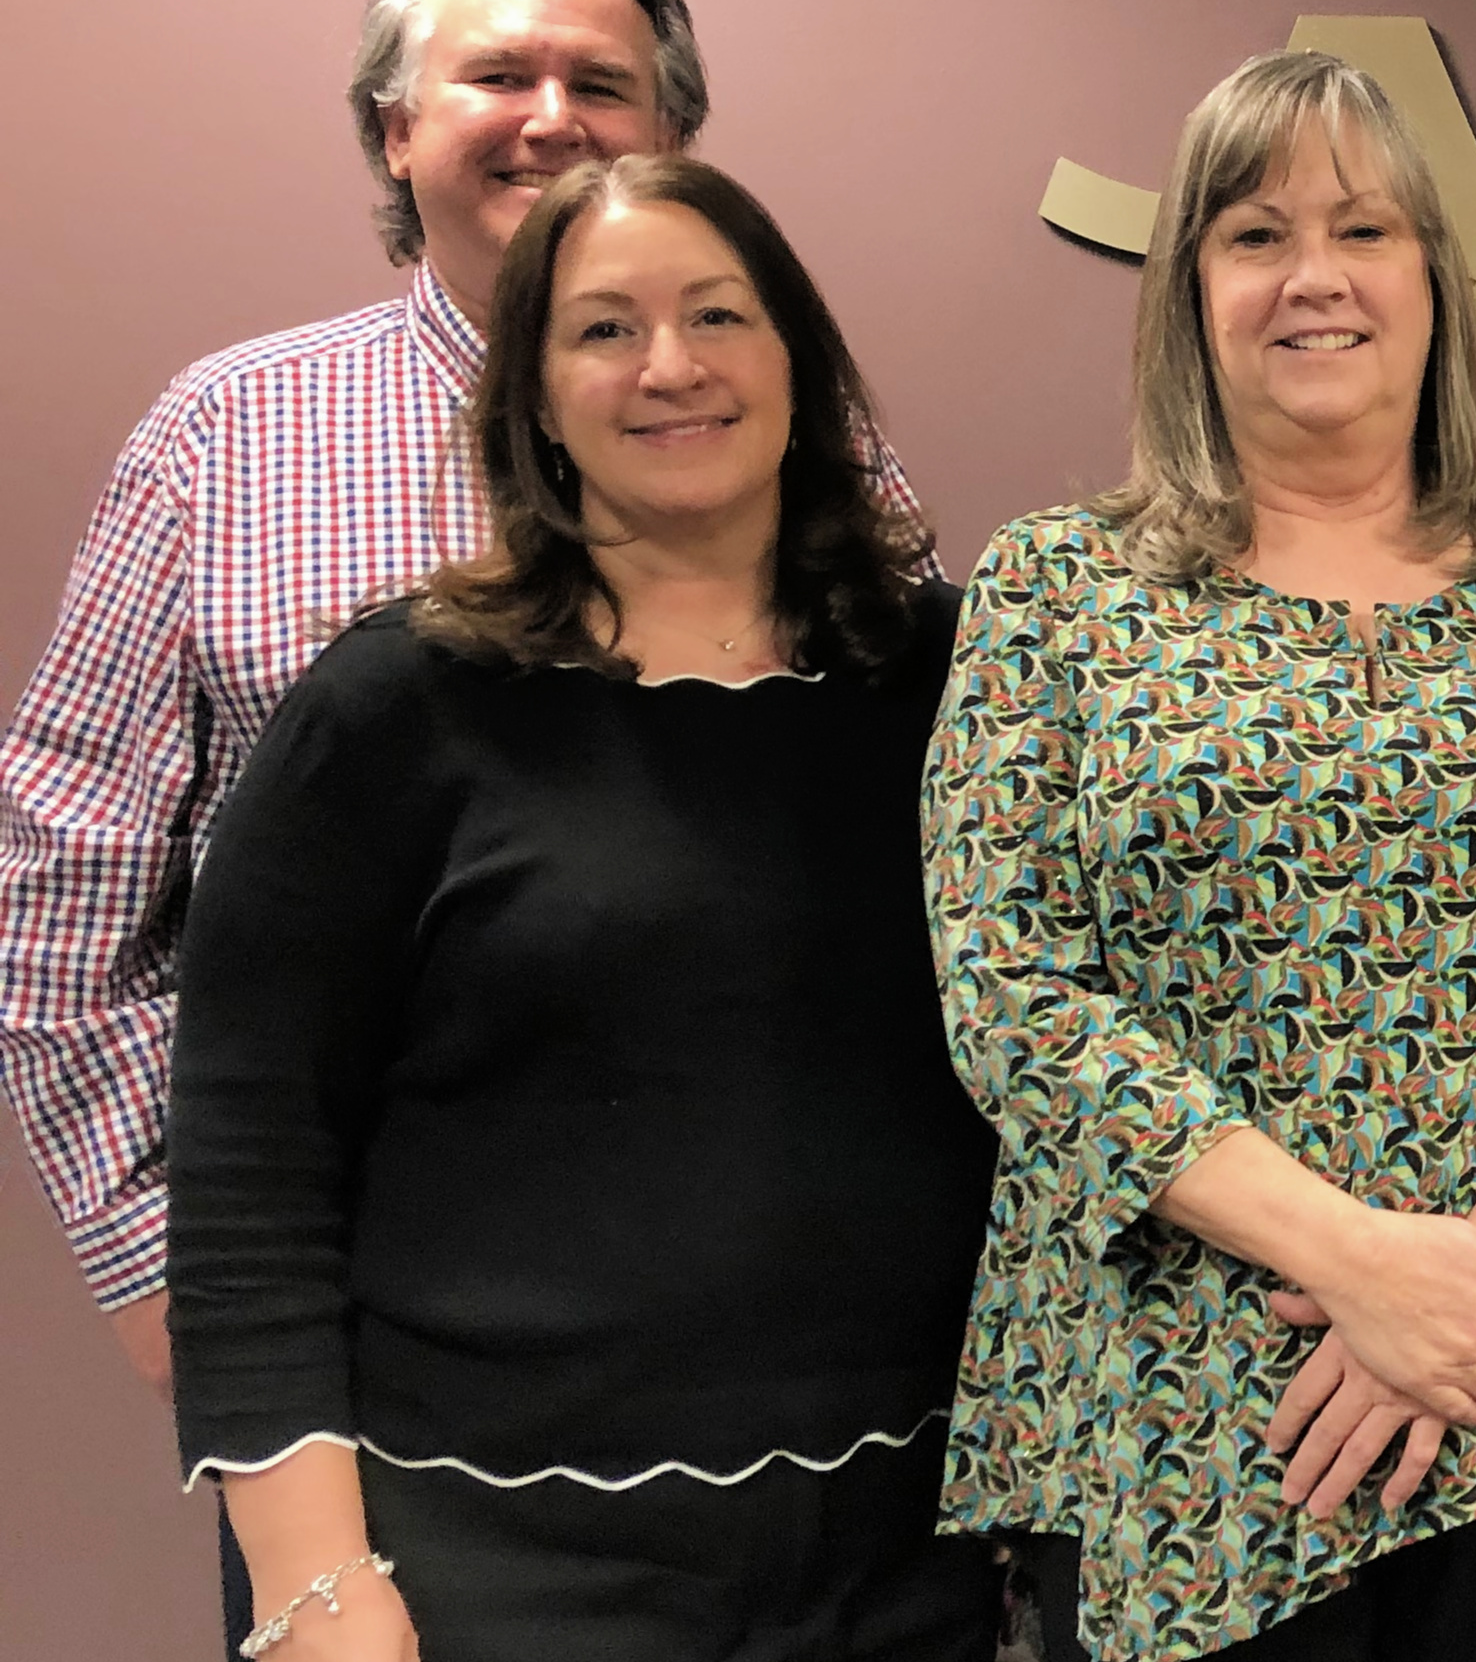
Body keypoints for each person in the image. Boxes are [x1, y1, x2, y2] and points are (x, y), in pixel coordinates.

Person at [1, 0, 923, 1404]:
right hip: (375, 1332)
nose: (550, 121)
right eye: (498, 77)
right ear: (394, 134)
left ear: (673, 141)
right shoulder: (225, 439)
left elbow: (909, 842)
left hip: (787, 1329)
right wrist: (167, 1283)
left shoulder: (797, 442)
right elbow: (57, 900)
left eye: (602, 85)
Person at [927, 48, 1476, 1662]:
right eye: (1253, 234)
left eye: (1364, 230)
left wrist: (1471, 1288)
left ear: (1433, 279)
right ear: (1185, 290)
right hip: (1175, 1395)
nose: (1316, 278)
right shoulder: (1056, 593)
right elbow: (1007, 984)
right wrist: (1357, 1264)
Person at [164, 154, 996, 1661]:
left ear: (797, 361)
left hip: (904, 1557)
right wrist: (312, 1590)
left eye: (718, 316)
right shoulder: (395, 708)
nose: (669, 367)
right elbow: (247, 1172)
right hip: (494, 1558)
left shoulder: (962, 682)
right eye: (603, 330)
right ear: (534, 397)